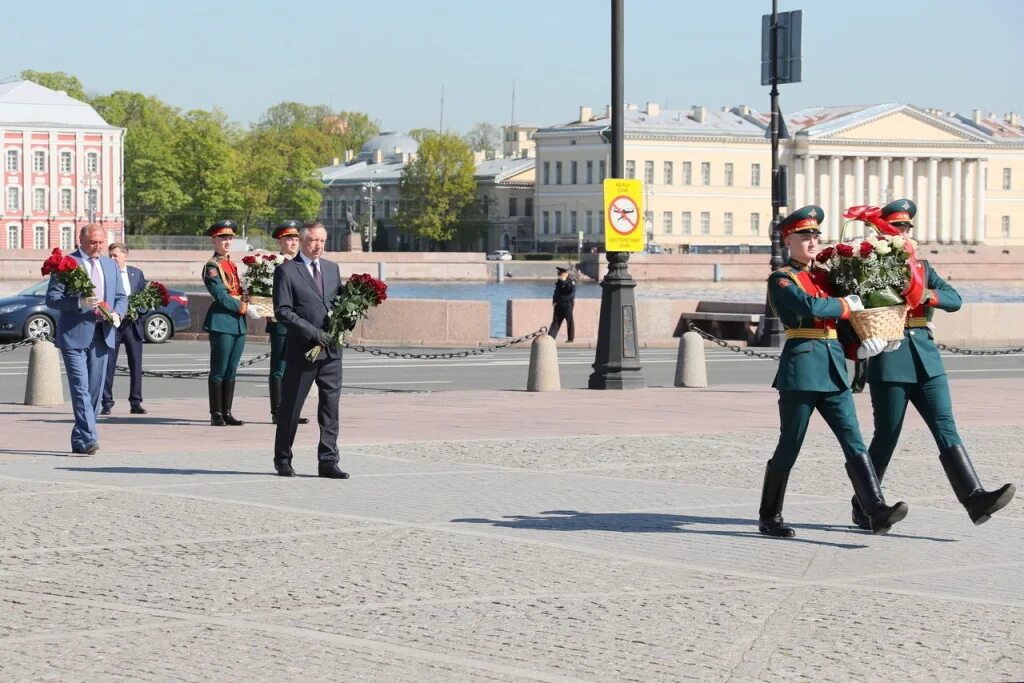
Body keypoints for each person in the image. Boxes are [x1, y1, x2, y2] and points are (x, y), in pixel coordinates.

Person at [849, 199, 1015, 528]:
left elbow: (953, 299)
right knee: (887, 436)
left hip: (927, 360)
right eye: (898, 228)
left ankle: (974, 498)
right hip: (891, 358)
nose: (904, 233)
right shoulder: (869, 268)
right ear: (882, 231)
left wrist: (927, 295)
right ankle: (864, 506)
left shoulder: (922, 269)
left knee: (945, 426)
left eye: (907, 228)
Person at [759, 205, 907, 537]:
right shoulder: (782, 278)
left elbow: (842, 327)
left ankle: (875, 509)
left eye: (815, 235)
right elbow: (809, 307)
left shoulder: (825, 276)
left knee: (853, 439)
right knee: (790, 444)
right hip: (803, 369)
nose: (812, 241)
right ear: (788, 239)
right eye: (804, 235)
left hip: (834, 370)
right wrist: (844, 305)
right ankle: (769, 515)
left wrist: (861, 347)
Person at [272, 221, 349, 479]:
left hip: (331, 353)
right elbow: (283, 311)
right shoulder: (287, 271)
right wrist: (313, 333)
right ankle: (283, 458)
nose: (318, 246)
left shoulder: (331, 268)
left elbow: (338, 303)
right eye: (314, 241)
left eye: (322, 241)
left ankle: (328, 461)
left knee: (330, 408)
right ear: (303, 241)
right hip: (302, 352)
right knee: (291, 408)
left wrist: (349, 316)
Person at [45, 224, 127, 454]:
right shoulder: (67, 264)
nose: (97, 247)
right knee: (80, 388)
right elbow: (52, 299)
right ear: (81, 240)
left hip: (103, 333)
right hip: (74, 335)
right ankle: (90, 437)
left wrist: (118, 314)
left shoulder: (110, 265)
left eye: (101, 242)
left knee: (95, 393)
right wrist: (78, 303)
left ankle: (80, 439)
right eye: (93, 243)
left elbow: (121, 296)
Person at [203, 219, 261, 427]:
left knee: (232, 369)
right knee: (219, 369)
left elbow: (237, 291)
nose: (227, 241)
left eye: (229, 238)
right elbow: (221, 295)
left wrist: (252, 297)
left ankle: (227, 411)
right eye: (222, 238)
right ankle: (216, 412)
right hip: (222, 322)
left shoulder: (231, 264)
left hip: (237, 323)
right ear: (214, 240)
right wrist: (244, 308)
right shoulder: (212, 267)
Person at [266, 220, 307, 426]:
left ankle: (292, 409)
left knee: (296, 368)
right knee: (279, 368)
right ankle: (278, 410)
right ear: (280, 242)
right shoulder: (272, 265)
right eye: (288, 239)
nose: (293, 242)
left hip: (300, 325)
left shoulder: (303, 263)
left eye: (295, 239)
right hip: (281, 323)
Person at [101, 243, 147, 415]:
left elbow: (144, 297)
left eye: (115, 255)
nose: (112, 259)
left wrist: (138, 311)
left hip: (133, 325)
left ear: (125, 255)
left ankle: (136, 402)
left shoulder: (137, 273)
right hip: (113, 324)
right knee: (108, 364)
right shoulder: (106, 274)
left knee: (136, 364)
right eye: (110, 255)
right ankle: (106, 402)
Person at [548, 266, 576, 343]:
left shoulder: (571, 281)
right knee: (556, 321)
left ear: (565, 273)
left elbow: (569, 290)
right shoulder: (559, 281)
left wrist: (563, 281)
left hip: (568, 304)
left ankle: (570, 339)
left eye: (560, 273)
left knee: (569, 321)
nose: (559, 275)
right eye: (559, 273)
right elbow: (556, 292)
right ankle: (550, 338)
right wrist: (554, 300)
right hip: (558, 304)